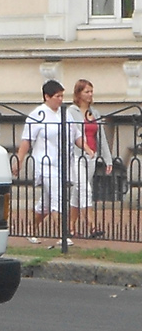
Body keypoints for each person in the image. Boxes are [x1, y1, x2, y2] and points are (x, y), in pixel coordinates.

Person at [12, 80, 91, 232]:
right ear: (47, 97)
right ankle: (63, 235)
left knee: (46, 203)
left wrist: (87, 149)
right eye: (57, 96)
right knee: (57, 196)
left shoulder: (65, 113)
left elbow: (76, 135)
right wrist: (19, 160)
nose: (61, 99)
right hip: (46, 163)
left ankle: (31, 229)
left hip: (63, 163)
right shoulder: (37, 115)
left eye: (62, 96)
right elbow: (27, 140)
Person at [68, 79, 113, 237]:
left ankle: (71, 227)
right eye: (86, 91)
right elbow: (71, 135)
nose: (90, 94)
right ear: (78, 93)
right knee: (85, 189)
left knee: (77, 191)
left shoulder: (95, 113)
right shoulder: (71, 112)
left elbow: (101, 136)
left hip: (91, 156)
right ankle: (92, 225)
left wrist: (108, 159)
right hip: (76, 156)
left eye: (91, 91)